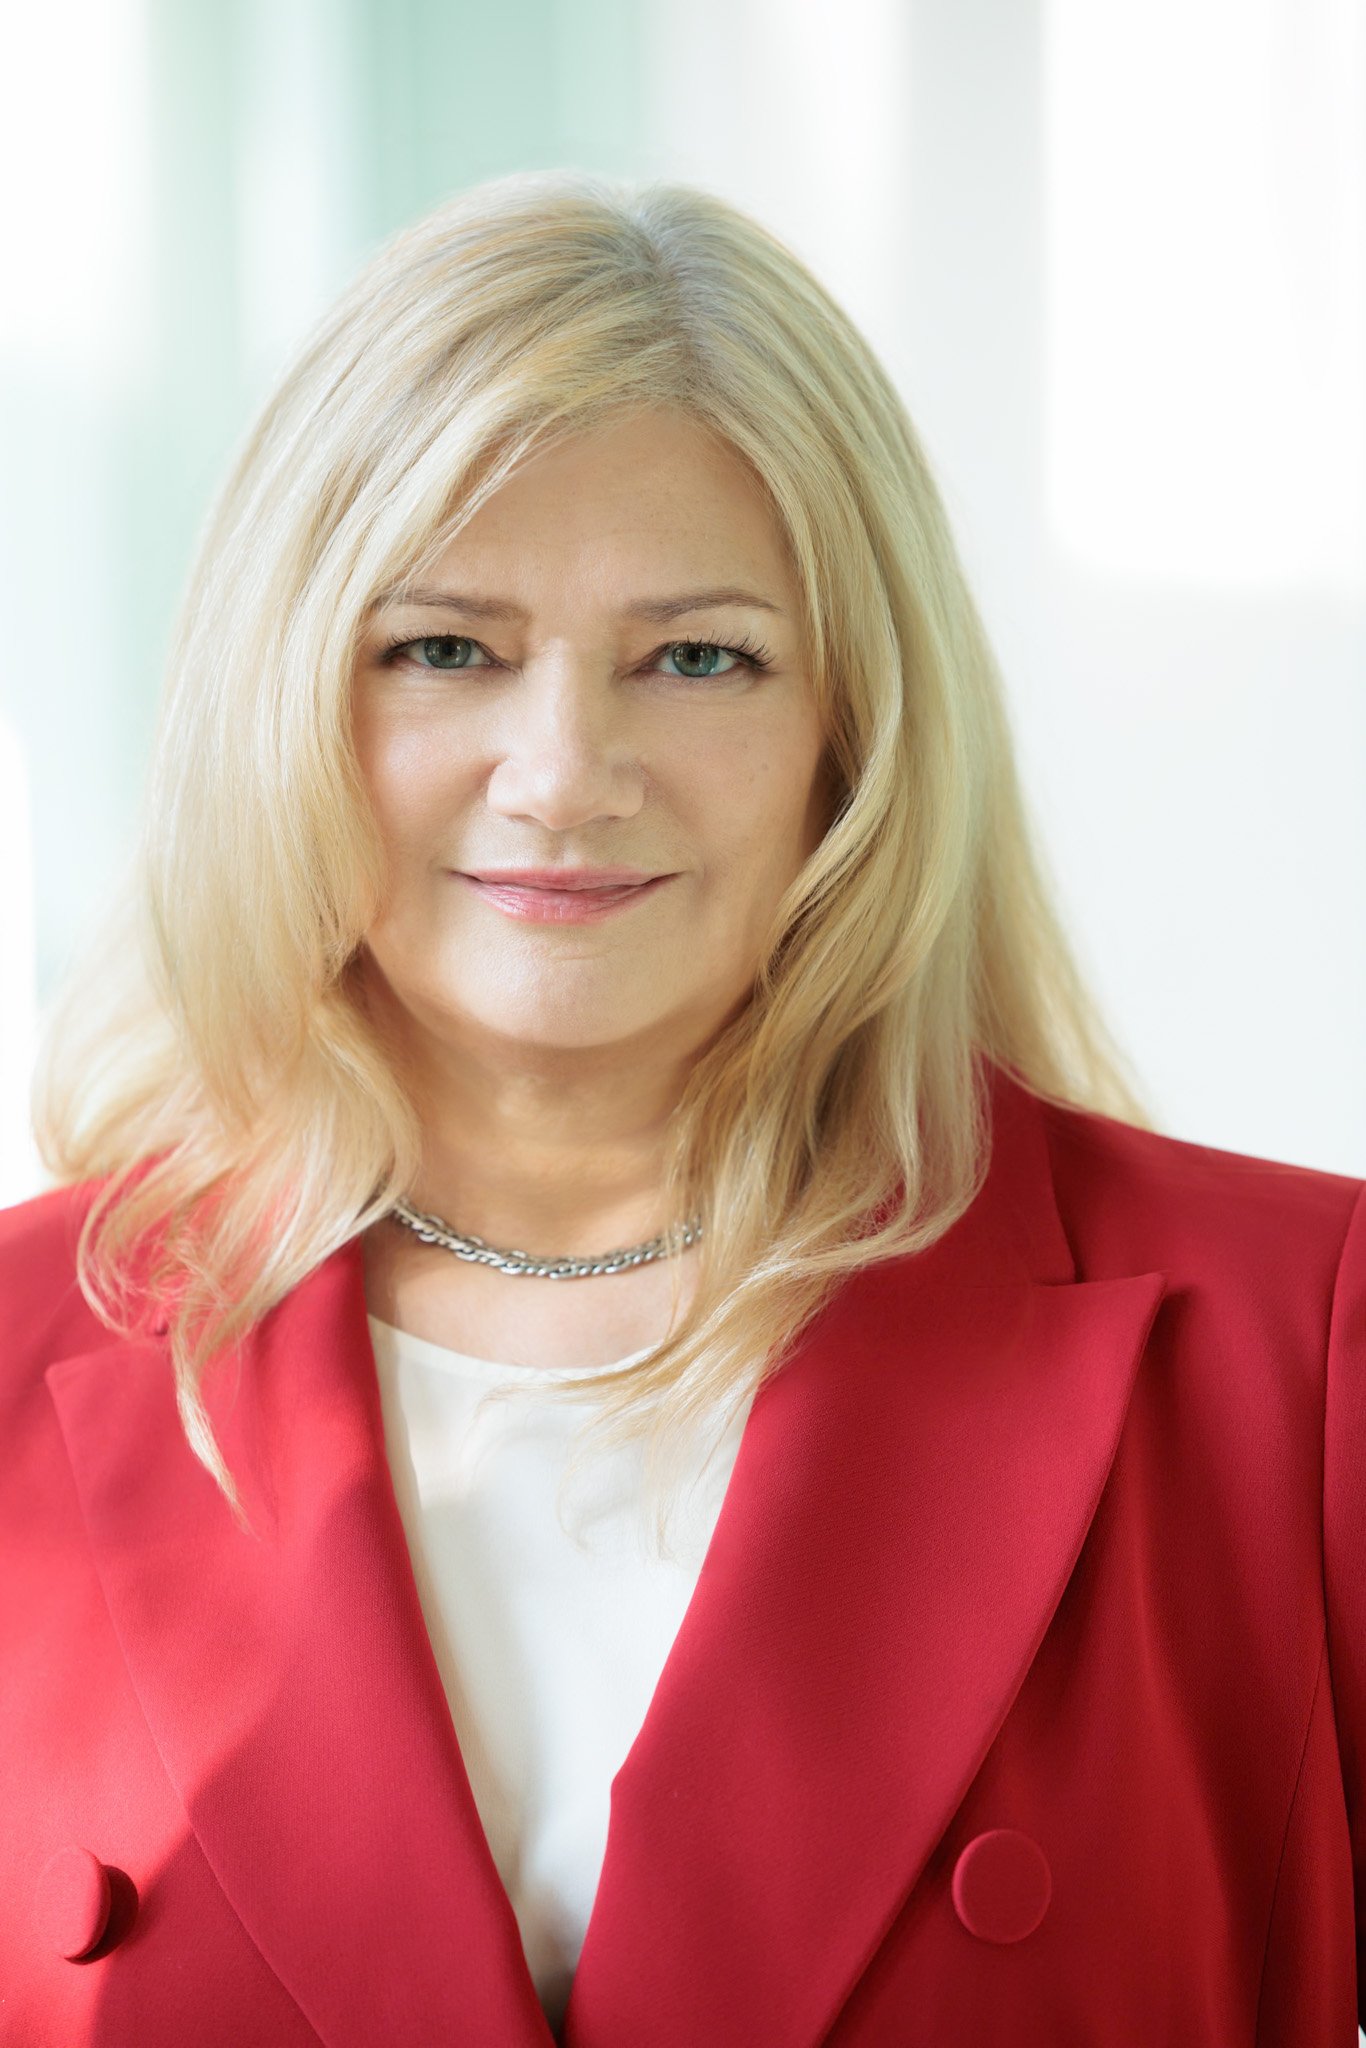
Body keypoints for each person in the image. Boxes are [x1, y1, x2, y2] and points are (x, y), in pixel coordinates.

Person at [0, 167, 1362, 2048]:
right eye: (445, 649)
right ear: (281, 701)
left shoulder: (1300, 1348)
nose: (563, 776)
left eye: (698, 657)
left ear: (853, 735)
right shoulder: (13, 1349)